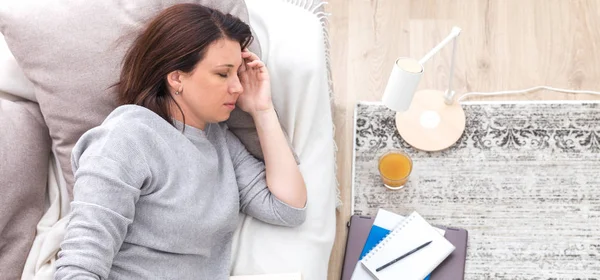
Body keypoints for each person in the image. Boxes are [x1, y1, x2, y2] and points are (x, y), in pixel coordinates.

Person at [55, 3, 307, 279]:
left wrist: (262, 109)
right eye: (223, 74)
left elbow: (288, 208)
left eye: (238, 73)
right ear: (176, 78)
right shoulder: (127, 138)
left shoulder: (219, 142)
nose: (237, 86)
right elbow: (78, 267)